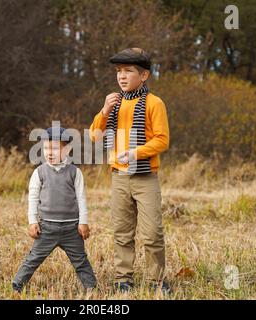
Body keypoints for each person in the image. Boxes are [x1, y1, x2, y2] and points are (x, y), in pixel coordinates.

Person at [89, 48, 171, 294]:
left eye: (128, 71)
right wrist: (104, 111)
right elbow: (94, 136)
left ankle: (157, 281)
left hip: (145, 177)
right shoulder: (113, 104)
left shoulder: (155, 103)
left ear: (144, 75)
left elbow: (162, 140)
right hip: (119, 177)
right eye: (118, 72)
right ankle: (123, 279)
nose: (121, 77)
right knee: (122, 231)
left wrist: (136, 153)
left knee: (152, 233)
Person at [12, 126, 97, 292]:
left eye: (55, 148)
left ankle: (91, 288)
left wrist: (83, 222)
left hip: (71, 229)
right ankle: (17, 285)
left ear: (67, 149)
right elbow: (33, 198)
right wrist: (32, 221)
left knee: (80, 260)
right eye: (46, 148)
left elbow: (81, 198)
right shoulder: (39, 172)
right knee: (34, 258)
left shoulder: (75, 172)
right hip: (47, 228)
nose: (49, 153)